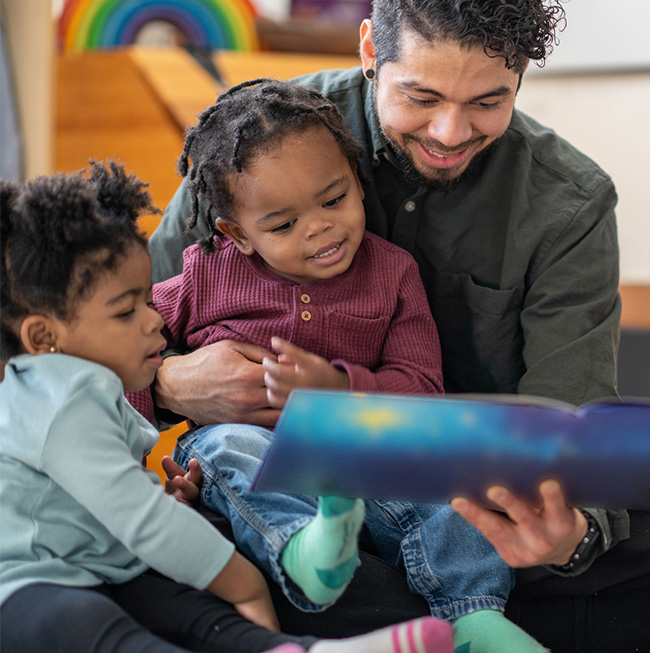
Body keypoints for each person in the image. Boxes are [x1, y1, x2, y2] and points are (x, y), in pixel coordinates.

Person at [148, 2, 650, 651]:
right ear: (370, 50)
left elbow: (572, 410)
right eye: (421, 97)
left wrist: (570, 534)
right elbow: (109, 329)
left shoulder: (569, 199)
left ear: (519, 77)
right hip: (293, 490)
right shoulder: (258, 141)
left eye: (488, 101)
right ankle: (547, 622)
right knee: (220, 514)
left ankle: (421, 612)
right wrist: (174, 380)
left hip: (475, 492)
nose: (450, 131)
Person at [132, 77, 550, 652]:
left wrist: (337, 387)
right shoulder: (204, 275)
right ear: (238, 233)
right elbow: (123, 357)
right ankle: (309, 552)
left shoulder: (392, 273)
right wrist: (143, 464)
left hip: (368, 447)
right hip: (254, 447)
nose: (320, 227)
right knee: (231, 449)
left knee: (446, 480)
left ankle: (473, 613)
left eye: (334, 200)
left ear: (356, 179)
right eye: (281, 225)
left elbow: (423, 390)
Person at [0, 161, 453, 653]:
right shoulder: (63, 399)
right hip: (28, 583)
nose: (155, 322)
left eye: (149, 302)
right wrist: (244, 582)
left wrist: (162, 492)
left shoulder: (81, 388)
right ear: (43, 336)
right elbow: (142, 523)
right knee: (95, 627)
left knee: (197, 613)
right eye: (128, 311)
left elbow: (100, 501)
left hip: (103, 564)